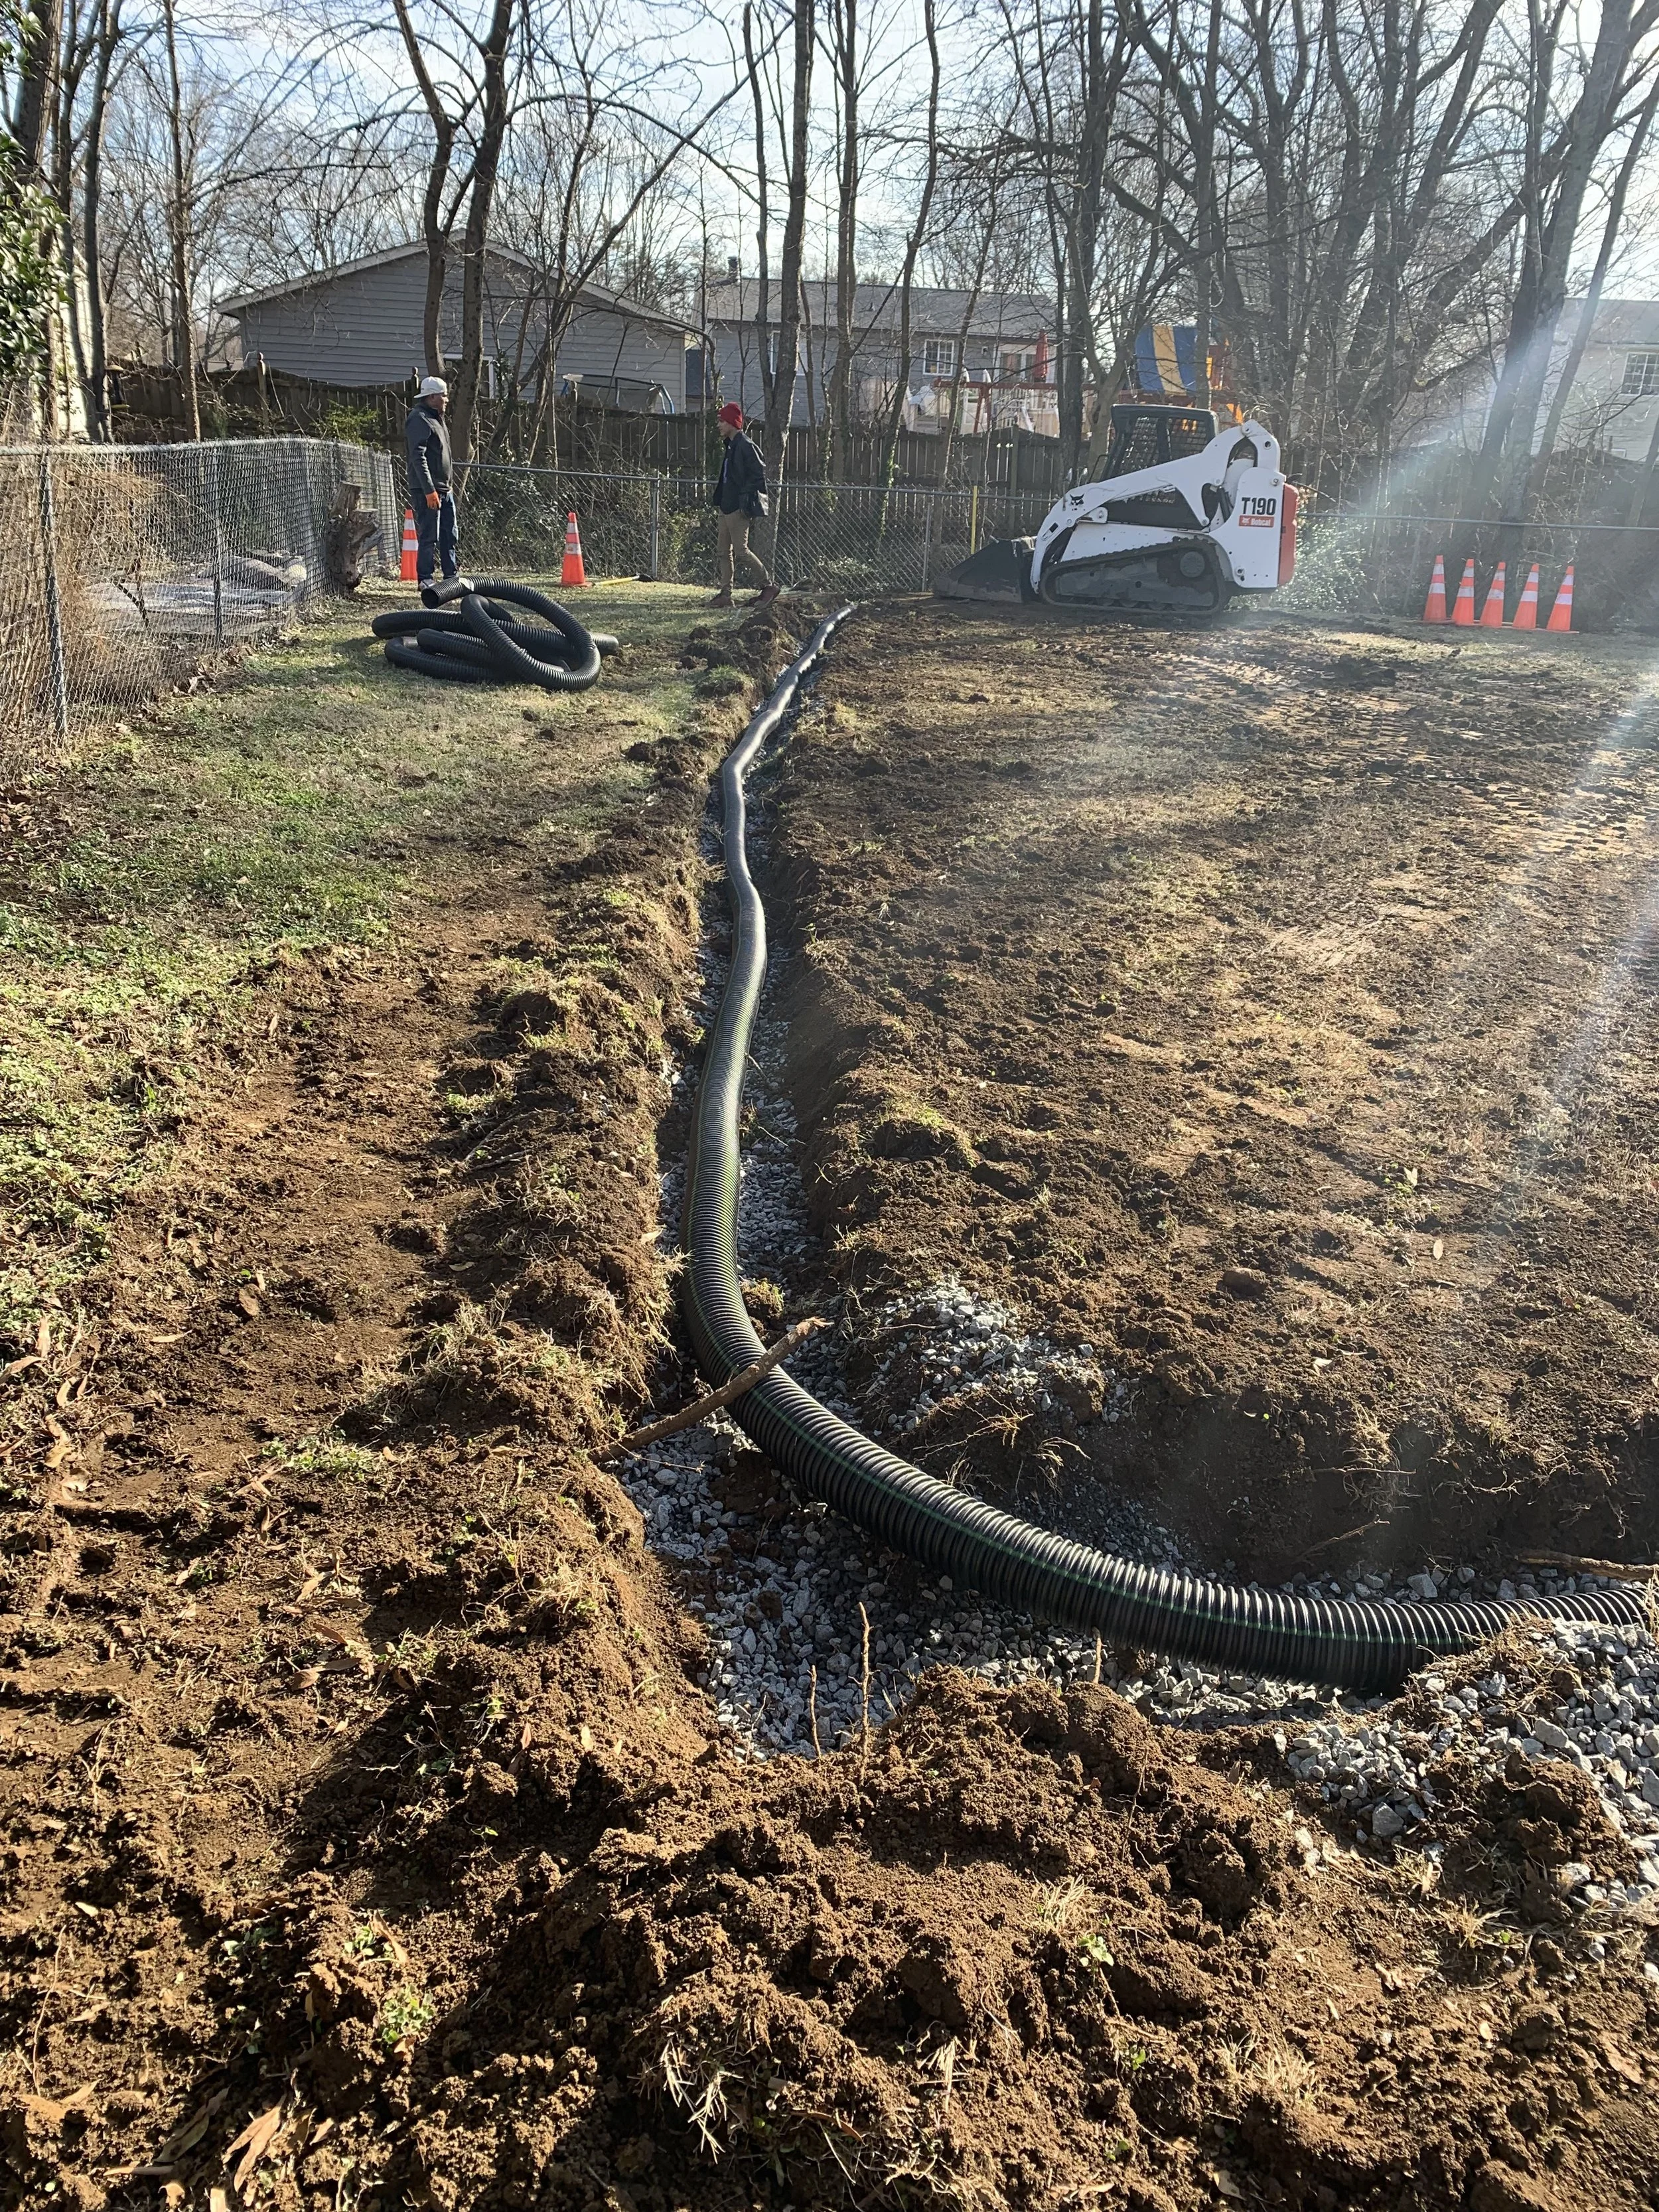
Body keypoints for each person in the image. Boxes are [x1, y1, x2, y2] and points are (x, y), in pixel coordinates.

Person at [710, 401, 779, 609]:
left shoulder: (745, 445)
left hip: (738, 508)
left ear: (732, 422)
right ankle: (725, 594)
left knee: (741, 551)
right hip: (725, 506)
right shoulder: (730, 445)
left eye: (722, 421)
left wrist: (744, 501)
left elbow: (758, 474)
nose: (719, 425)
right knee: (724, 552)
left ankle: (768, 586)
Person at [405, 375, 458, 598]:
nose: (446, 399)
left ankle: (451, 576)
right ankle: (425, 579)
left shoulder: (438, 418)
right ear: (433, 396)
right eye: (444, 395)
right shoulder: (419, 419)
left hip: (445, 489)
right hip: (430, 490)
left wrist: (448, 487)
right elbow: (419, 457)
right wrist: (429, 490)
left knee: (450, 533)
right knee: (430, 535)